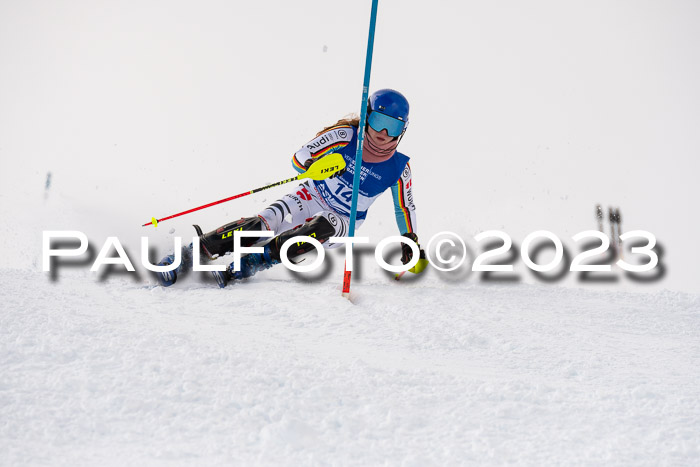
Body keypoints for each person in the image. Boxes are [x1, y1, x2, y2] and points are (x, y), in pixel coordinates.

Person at [157, 88, 422, 288]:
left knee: (321, 225)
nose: (383, 133)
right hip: (311, 195)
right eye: (378, 121)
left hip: (344, 218)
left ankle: (252, 263)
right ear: (367, 116)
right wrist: (315, 166)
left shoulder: (399, 168)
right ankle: (188, 255)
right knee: (265, 223)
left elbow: (404, 207)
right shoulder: (346, 135)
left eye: (393, 126)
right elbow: (300, 156)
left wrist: (409, 239)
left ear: (403, 130)